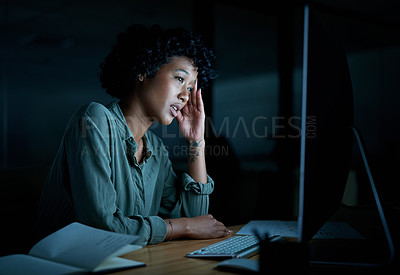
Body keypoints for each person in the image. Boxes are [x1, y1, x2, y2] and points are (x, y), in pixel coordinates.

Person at [36, 24, 231, 245]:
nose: (185, 96)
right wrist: (182, 226)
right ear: (143, 70)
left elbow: (195, 218)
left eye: (190, 88)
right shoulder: (94, 120)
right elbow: (102, 227)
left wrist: (196, 142)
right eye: (179, 79)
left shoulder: (156, 149)